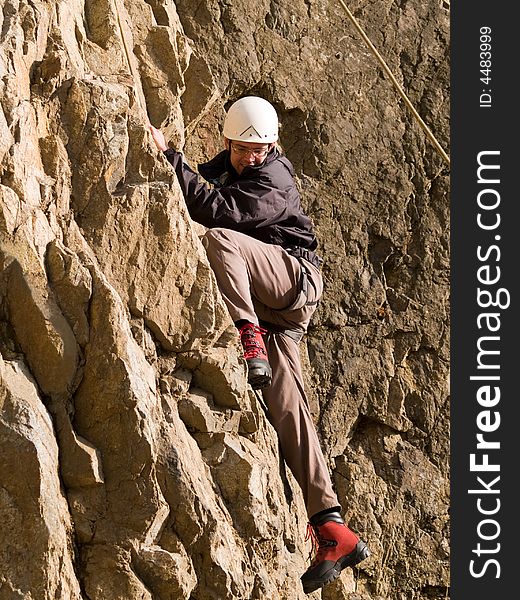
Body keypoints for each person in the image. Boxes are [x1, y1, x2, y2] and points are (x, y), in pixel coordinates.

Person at [149, 96, 369, 594]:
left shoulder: (276, 177)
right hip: (278, 303)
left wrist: (170, 160)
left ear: (271, 146)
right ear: (229, 141)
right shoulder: (230, 164)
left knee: (223, 239)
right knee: (290, 406)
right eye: (245, 148)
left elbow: (214, 209)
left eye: (260, 148)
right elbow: (200, 182)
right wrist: (168, 154)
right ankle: (331, 527)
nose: (253, 156)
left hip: (293, 281)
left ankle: (247, 335)